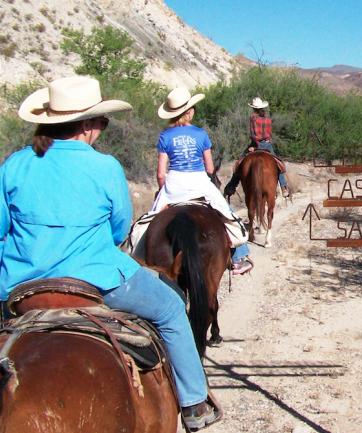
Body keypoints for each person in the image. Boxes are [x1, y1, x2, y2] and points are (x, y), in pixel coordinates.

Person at [0, 76, 221, 430]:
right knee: (171, 308)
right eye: (101, 121)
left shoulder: (14, 165)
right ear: (87, 126)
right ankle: (195, 402)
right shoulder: (104, 167)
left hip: (22, 287)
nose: (101, 128)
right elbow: (120, 230)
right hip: (97, 278)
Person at [152, 87, 252, 275]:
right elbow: (209, 168)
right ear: (189, 112)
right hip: (199, 182)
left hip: (174, 183)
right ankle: (239, 257)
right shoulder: (200, 134)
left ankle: (140, 257)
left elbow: (160, 173)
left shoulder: (165, 136)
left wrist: (163, 190)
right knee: (227, 213)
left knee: (150, 220)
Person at [223, 97, 290, 198]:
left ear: (254, 108)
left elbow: (253, 135)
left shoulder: (253, 118)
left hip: (256, 144)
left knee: (240, 162)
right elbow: (269, 133)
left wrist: (254, 146)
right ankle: (284, 187)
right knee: (278, 164)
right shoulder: (268, 119)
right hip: (267, 144)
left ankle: (232, 186)